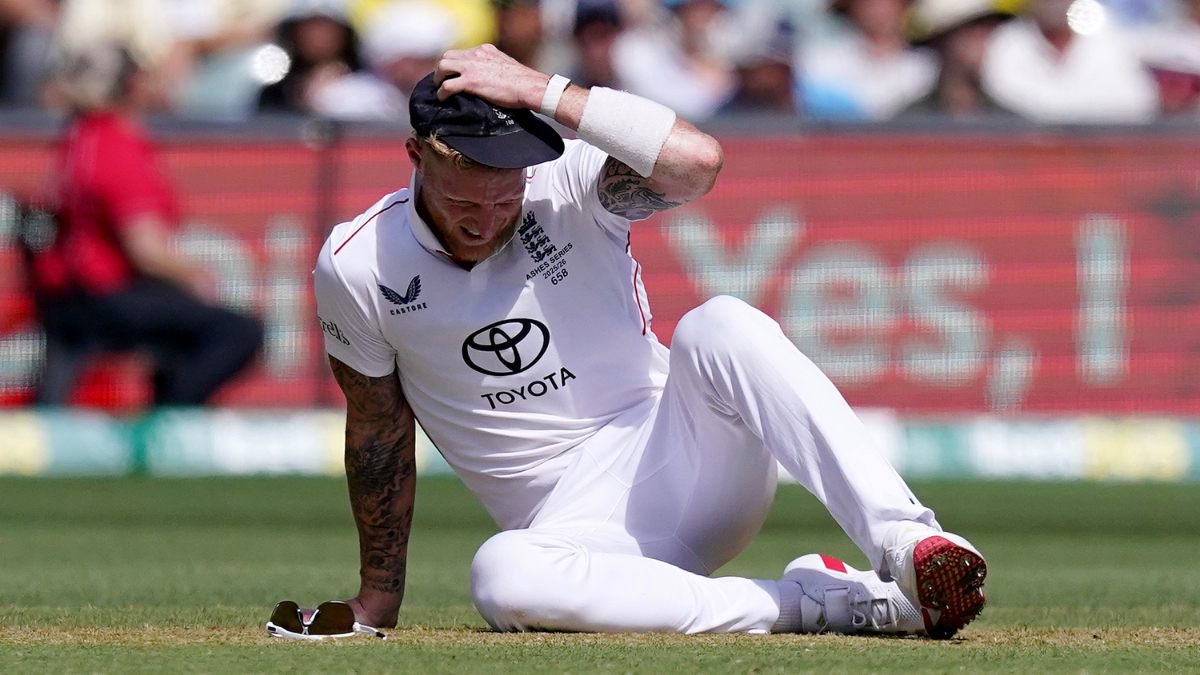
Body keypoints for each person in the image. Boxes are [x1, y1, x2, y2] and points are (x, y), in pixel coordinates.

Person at [299, 44, 987, 639]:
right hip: (576, 533)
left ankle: (907, 539)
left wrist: (544, 91)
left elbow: (697, 160)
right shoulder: (358, 263)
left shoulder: (563, 180)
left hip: (682, 460)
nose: (487, 220)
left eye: (503, 197)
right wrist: (377, 599)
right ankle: (826, 602)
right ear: (417, 154)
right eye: (465, 203)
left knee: (721, 323)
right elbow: (379, 429)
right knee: (502, 573)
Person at [29, 43, 262, 405]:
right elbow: (147, 251)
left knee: (180, 316)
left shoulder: (77, 138)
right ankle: (170, 418)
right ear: (133, 84)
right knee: (239, 332)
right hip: (108, 295)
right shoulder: (118, 147)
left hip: (69, 296)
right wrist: (197, 276)